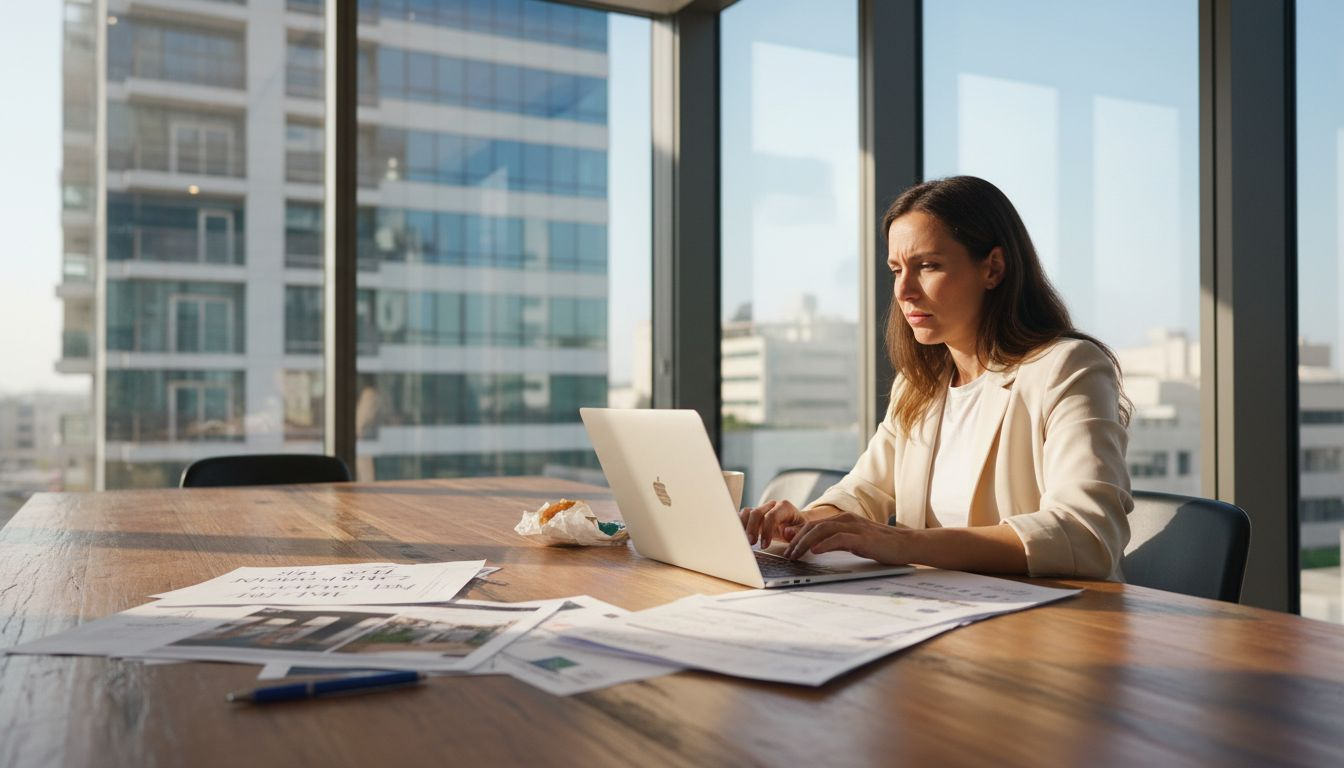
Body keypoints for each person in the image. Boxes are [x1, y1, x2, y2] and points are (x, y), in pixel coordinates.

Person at [739, 176, 1132, 580]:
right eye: (896, 270)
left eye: (928, 266)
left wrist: (900, 543)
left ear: (993, 268)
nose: (904, 290)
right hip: (939, 608)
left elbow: (1087, 534)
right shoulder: (919, 385)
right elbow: (865, 491)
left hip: (1054, 620)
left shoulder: (1068, 368)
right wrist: (805, 522)